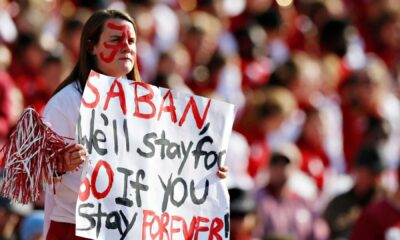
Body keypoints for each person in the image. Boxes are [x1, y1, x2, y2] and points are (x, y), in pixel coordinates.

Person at [42, 9, 228, 240]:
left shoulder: (149, 106)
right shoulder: (65, 103)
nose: (126, 47)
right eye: (115, 40)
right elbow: (40, 173)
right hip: (77, 229)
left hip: (130, 230)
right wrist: (61, 165)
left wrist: (204, 172)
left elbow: (166, 166)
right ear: (92, 46)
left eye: (131, 41)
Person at [323, 145, 387, 239]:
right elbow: (336, 230)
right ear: (357, 171)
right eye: (371, 173)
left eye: (377, 174)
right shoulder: (339, 203)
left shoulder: (386, 201)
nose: (376, 179)